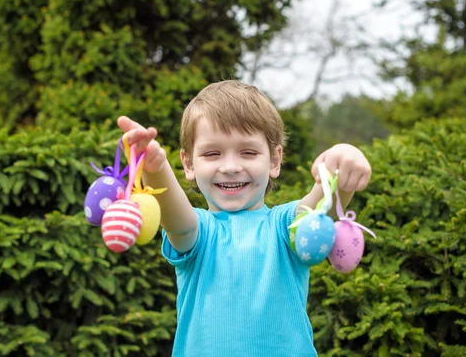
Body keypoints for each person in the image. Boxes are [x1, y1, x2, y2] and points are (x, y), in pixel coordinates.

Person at [117, 80, 371, 357]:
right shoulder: (199, 231)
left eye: (248, 152)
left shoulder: (284, 227)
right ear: (189, 164)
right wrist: (155, 168)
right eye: (212, 153)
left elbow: (321, 211)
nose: (230, 167)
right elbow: (178, 219)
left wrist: (342, 163)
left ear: (274, 161)